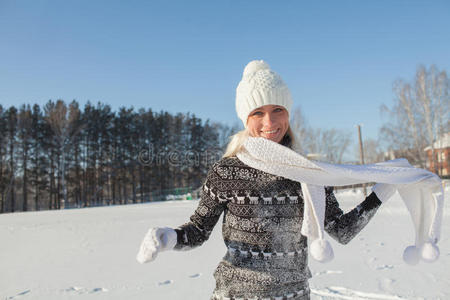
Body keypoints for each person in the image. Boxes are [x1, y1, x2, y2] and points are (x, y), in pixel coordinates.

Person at [136, 60, 396, 300]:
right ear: (245, 118)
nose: (269, 121)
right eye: (257, 112)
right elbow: (198, 231)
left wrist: (384, 189)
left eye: (277, 110)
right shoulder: (226, 172)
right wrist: (168, 237)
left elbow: (341, 230)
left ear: (288, 113)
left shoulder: (308, 173)